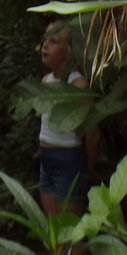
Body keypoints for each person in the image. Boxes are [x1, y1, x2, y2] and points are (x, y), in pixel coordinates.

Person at [37, 21, 100, 219]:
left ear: (69, 51)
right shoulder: (46, 82)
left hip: (68, 160)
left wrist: (88, 168)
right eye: (45, 40)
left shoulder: (78, 85)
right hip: (45, 157)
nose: (45, 46)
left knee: (71, 233)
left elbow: (92, 133)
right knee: (54, 231)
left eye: (53, 41)